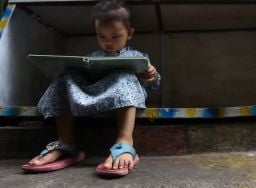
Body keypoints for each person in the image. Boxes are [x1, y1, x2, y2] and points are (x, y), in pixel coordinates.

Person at [21, 0, 160, 177]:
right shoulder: (93, 56)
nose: (107, 42)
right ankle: (65, 143)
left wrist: (151, 75)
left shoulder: (137, 56)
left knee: (124, 76)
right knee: (66, 76)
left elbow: (152, 83)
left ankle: (125, 142)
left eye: (115, 36)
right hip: (93, 95)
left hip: (124, 98)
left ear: (129, 33)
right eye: (101, 36)